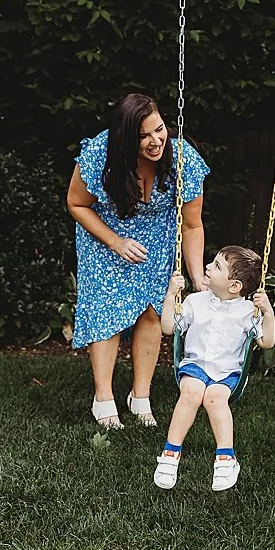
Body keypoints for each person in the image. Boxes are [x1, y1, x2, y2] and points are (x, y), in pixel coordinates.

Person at [67, 91, 207, 429]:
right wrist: (115, 242)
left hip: (156, 237)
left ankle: (139, 396)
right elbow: (76, 204)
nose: (155, 141)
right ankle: (103, 398)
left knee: (151, 311)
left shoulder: (182, 160)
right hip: (106, 232)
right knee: (106, 312)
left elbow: (191, 224)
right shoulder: (102, 154)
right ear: (125, 138)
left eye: (159, 129)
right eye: (143, 136)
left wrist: (199, 279)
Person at [154, 246, 275, 492]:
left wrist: (267, 311)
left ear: (234, 286)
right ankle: (170, 454)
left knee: (215, 398)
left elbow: (267, 342)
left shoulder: (246, 312)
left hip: (228, 373)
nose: (208, 267)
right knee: (191, 393)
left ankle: (225, 458)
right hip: (195, 366)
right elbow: (168, 327)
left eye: (217, 266)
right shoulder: (194, 302)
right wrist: (170, 294)